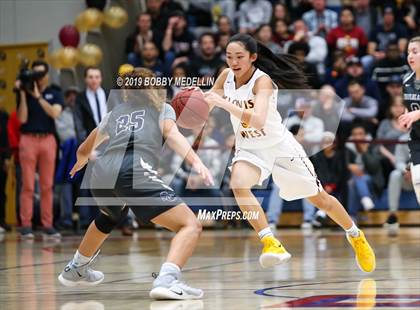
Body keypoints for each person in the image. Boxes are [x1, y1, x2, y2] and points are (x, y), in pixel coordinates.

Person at [203, 33, 375, 273]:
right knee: (238, 184)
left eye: (239, 56)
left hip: (279, 146)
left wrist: (222, 103)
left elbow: (259, 120)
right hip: (250, 147)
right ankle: (271, 242)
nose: (233, 62)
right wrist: (194, 100)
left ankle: (355, 234)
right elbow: (209, 102)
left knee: (319, 198)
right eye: (229, 56)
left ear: (253, 57)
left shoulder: (262, 81)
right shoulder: (225, 77)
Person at [58, 68, 213, 300]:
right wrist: (196, 161)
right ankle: (167, 280)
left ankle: (76, 268)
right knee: (190, 225)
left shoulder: (114, 112)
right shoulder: (163, 108)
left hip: (100, 172)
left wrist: (79, 164)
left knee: (109, 216)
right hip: (132, 168)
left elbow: (83, 150)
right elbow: (173, 136)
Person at [16, 60, 63, 239]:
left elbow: (55, 113)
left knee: (47, 185)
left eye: (41, 74)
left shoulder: (54, 92)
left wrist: (38, 97)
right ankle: (26, 224)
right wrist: (22, 93)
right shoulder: (25, 92)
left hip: (48, 139)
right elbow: (22, 118)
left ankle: (47, 224)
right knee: (27, 184)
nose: (38, 78)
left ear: (46, 75)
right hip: (28, 138)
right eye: (34, 74)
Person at [398, 36, 420, 204]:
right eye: (408, 52)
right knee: (418, 181)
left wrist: (416, 114)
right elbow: (409, 105)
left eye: (415, 51)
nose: (410, 56)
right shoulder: (406, 80)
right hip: (417, 139)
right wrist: (407, 116)